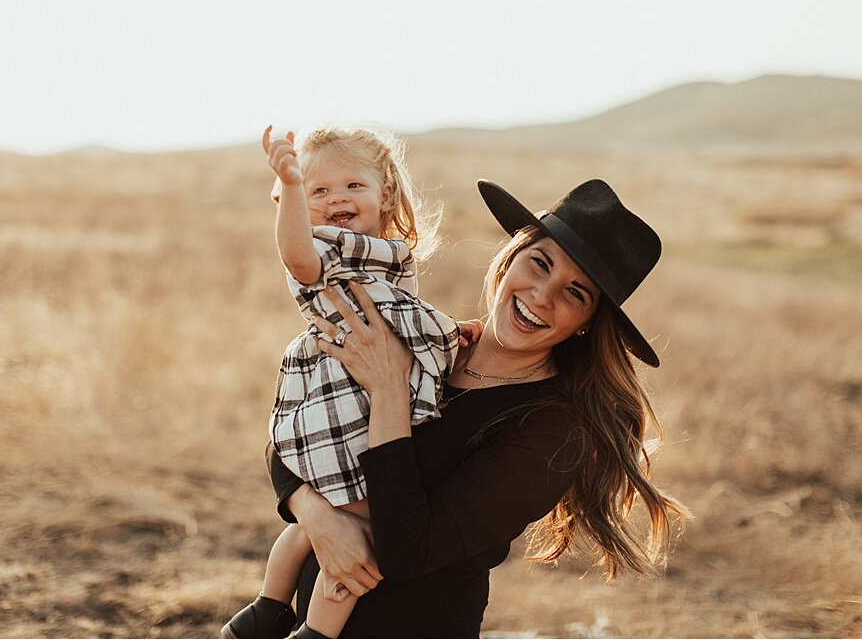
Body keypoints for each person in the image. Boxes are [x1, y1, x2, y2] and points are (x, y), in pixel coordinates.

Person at [259, 178, 689, 638]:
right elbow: (299, 430)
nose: (542, 295)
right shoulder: (428, 344)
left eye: (574, 293)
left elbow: (408, 550)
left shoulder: (553, 432)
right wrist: (318, 516)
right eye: (539, 264)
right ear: (509, 260)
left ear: (587, 324)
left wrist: (387, 391)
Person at [222, 125, 476, 639]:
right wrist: (291, 189)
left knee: (315, 522)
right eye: (321, 190)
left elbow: (397, 316)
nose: (336, 197)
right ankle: (315, 630)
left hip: (361, 406)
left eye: (352, 186)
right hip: (341, 405)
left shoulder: (386, 253)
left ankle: (266, 610)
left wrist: (447, 330)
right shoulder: (325, 248)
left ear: (386, 193)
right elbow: (295, 256)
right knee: (371, 531)